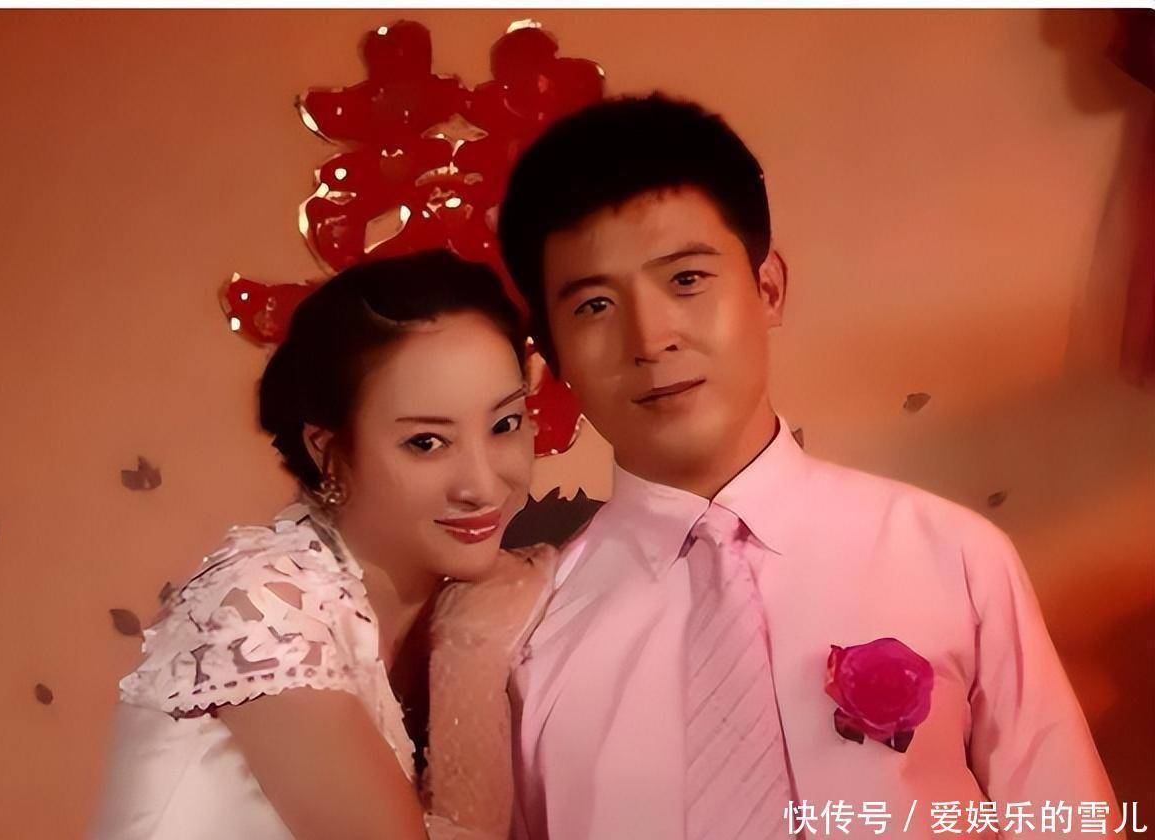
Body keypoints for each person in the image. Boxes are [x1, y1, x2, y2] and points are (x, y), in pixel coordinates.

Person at [497, 95, 1123, 839]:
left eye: (686, 280)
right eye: (594, 306)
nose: (650, 338)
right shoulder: (525, 632)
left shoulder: (952, 555)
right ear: (553, 356)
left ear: (768, 288)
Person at [92, 250, 556, 840]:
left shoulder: (469, 601)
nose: (483, 485)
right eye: (426, 443)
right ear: (328, 451)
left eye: (504, 424)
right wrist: (474, 650)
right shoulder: (263, 604)